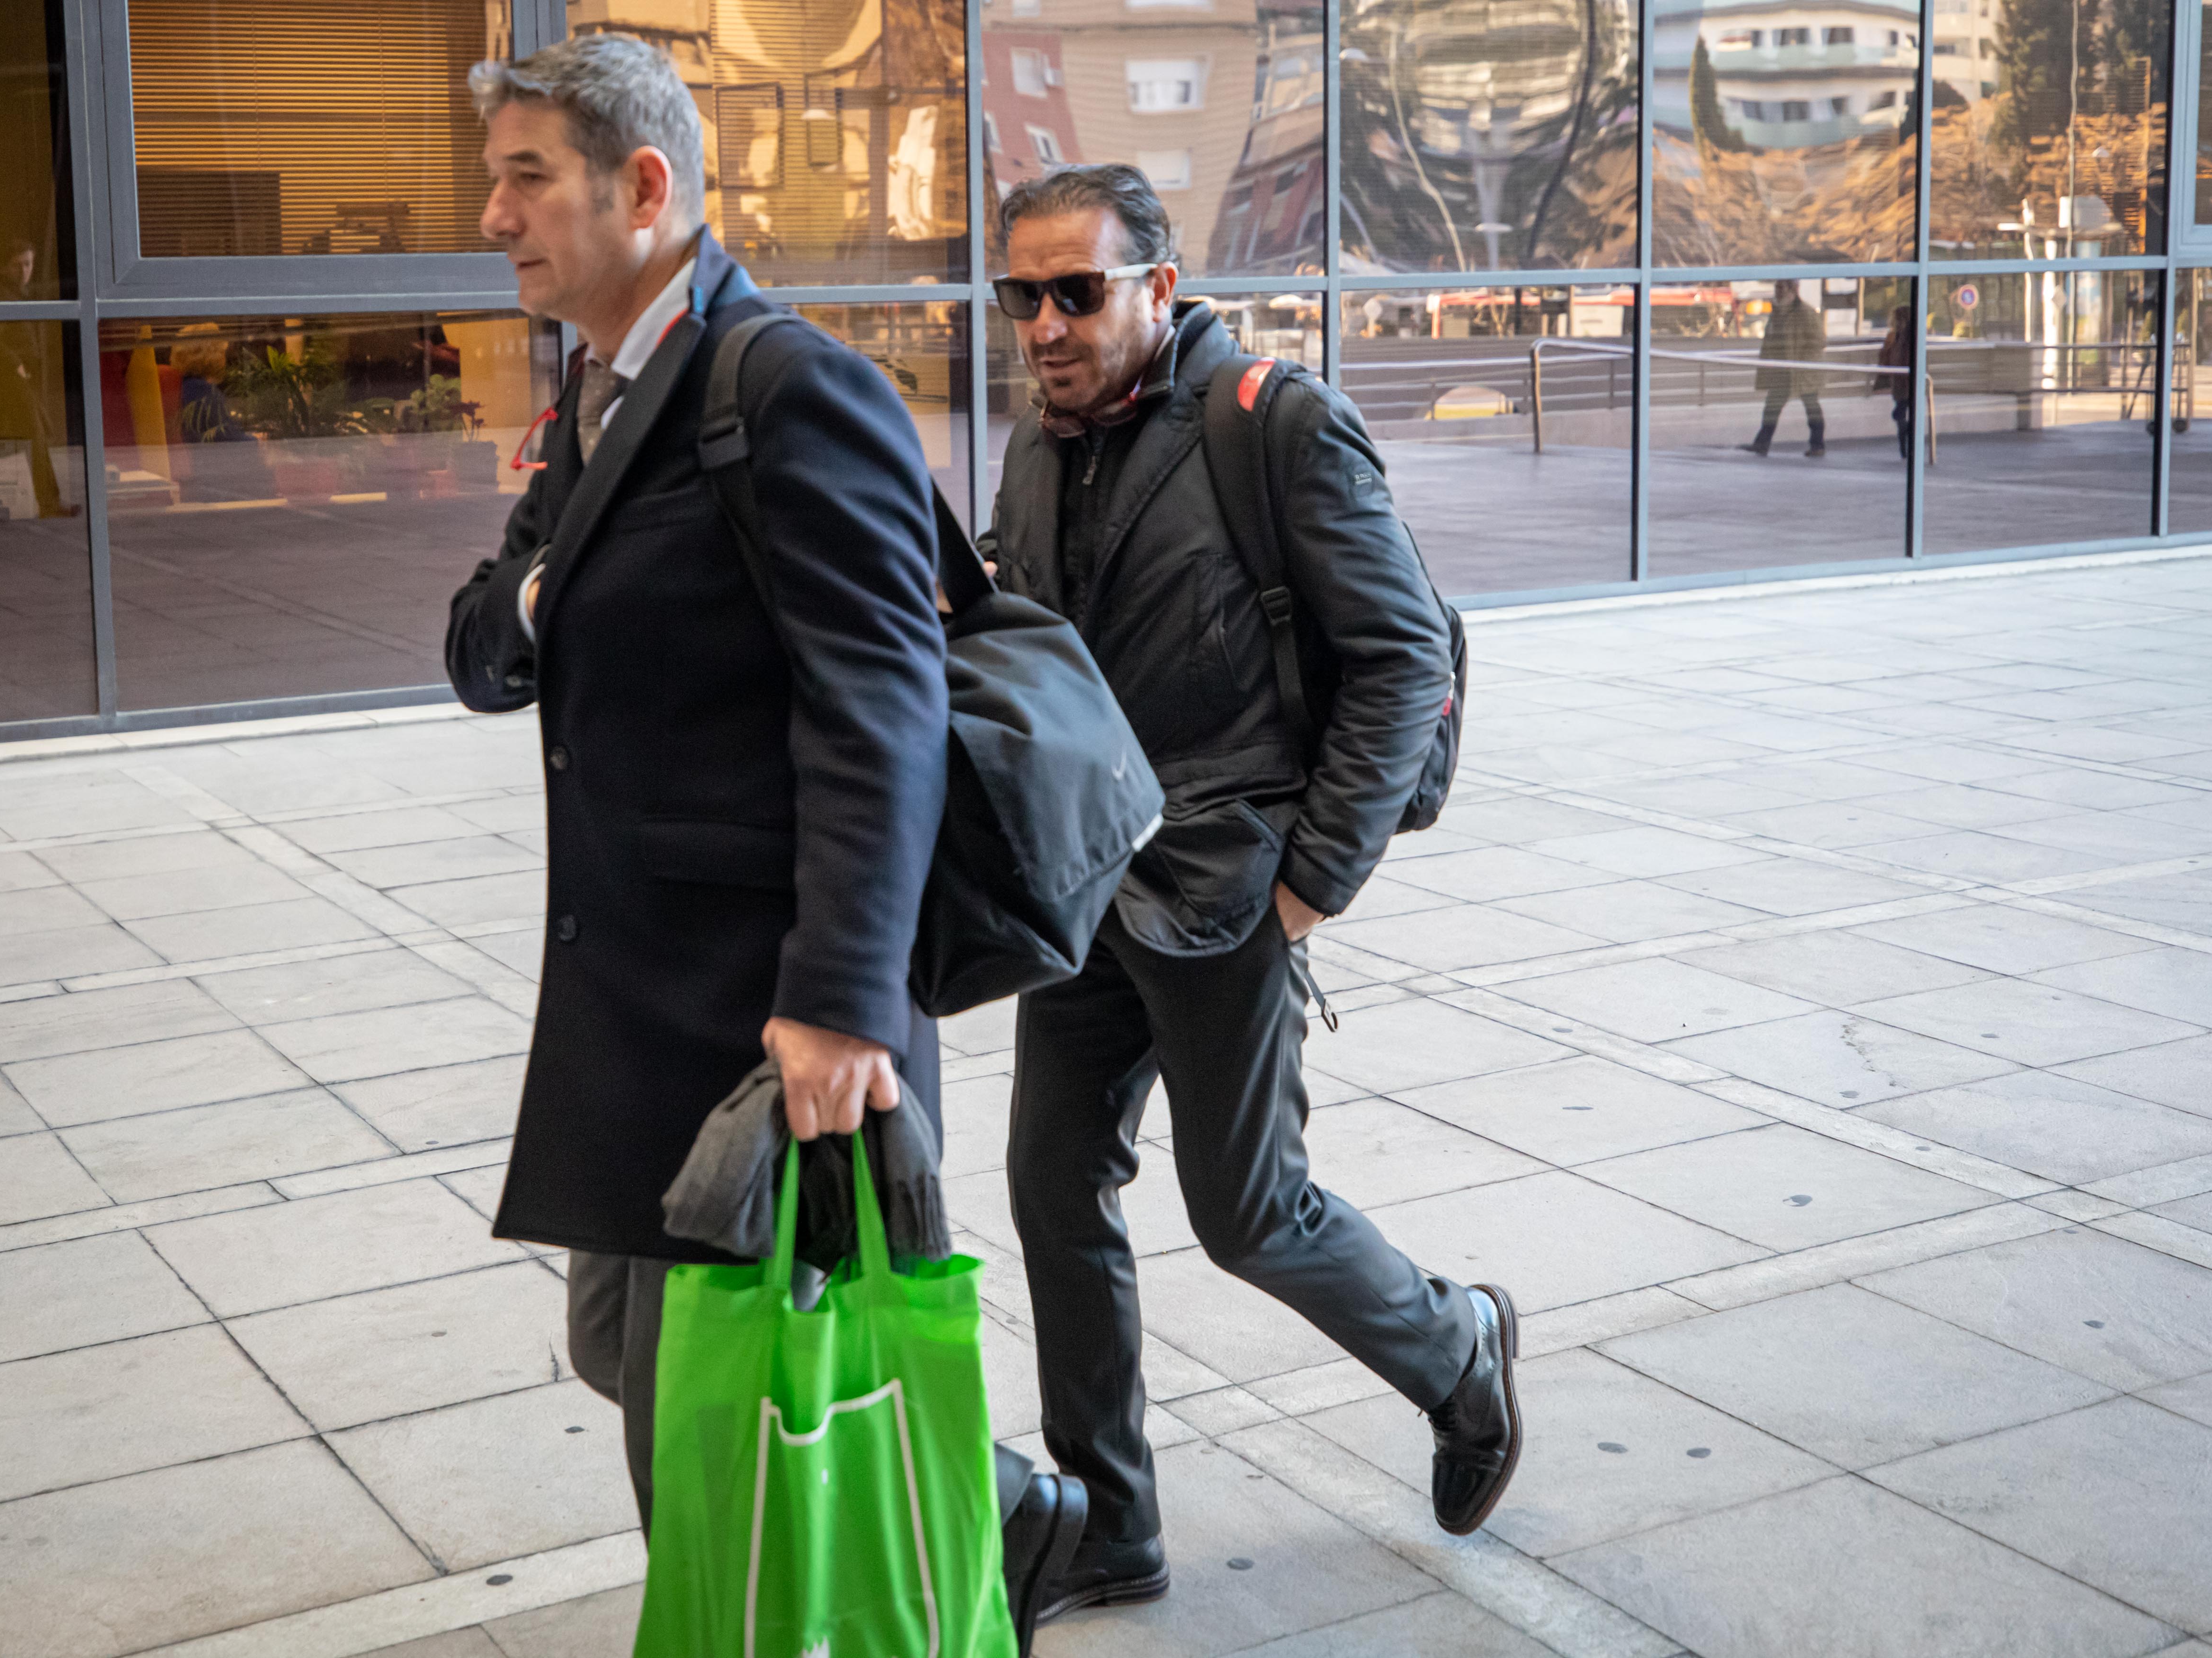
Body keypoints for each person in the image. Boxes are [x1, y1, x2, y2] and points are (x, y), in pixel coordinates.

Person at [442, 35, 1081, 1651]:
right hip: (633, 1004)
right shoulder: (592, 387)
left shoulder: (786, 388)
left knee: (708, 1420)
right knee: (623, 1350)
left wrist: (848, 1000)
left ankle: (975, 1524)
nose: (491, 208)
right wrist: (534, 594)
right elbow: (481, 637)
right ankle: (1009, 1501)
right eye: (495, 173)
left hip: (765, 1011)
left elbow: (882, 704)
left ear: (642, 187)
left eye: (526, 175)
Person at [980, 163, 1521, 1623]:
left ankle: (1458, 1347)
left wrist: (1311, 884)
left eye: (1075, 291)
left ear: (1158, 284)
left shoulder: (1272, 423)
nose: (1041, 324)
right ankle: (1102, 1520)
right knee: (1048, 1186)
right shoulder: (1036, 449)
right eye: (1017, 295)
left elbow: (1405, 655)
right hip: (1081, 895)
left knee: (1249, 1212)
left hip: (1230, 890)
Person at [1740, 278, 1827, 458]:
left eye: (1781, 287)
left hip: (1803, 373)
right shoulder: (1778, 312)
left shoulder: (1805, 313)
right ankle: (1762, 443)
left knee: (1812, 407)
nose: (1777, 291)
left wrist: (1802, 361)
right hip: (1783, 372)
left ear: (1793, 289)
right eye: (1776, 287)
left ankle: (1818, 445)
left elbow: (1819, 340)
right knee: (1772, 408)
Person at [1876, 303, 1915, 461]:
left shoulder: (1906, 338)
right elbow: (1886, 360)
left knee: (1900, 414)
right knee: (1901, 416)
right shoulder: (1897, 337)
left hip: (1905, 384)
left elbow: (1893, 360)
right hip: (1902, 384)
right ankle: (1905, 449)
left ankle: (1906, 449)